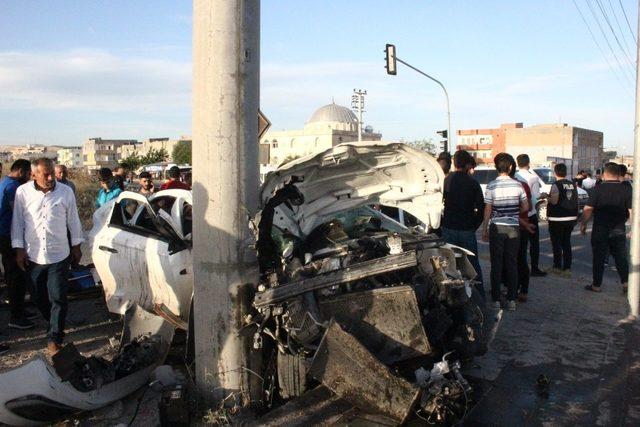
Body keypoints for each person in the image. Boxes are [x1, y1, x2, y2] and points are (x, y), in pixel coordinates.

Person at [11, 158, 83, 355]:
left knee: (58, 296)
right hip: (33, 255)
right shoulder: (23, 193)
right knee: (39, 296)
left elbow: (73, 220)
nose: (51, 178)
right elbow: (17, 222)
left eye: (52, 173)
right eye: (46, 174)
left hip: (59, 254)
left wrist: (76, 246)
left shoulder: (65, 191)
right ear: (34, 174)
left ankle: (55, 336)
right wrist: (19, 249)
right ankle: (52, 321)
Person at [482, 153, 528, 311]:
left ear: (496, 168)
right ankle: (511, 300)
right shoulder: (518, 185)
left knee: (496, 263)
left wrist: (485, 228)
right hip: (513, 227)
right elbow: (526, 207)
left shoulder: (492, 185)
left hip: (496, 227)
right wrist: (515, 211)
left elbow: (488, 208)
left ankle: (495, 299)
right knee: (512, 263)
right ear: (510, 168)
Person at [580, 162, 631, 293]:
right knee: (620, 257)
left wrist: (583, 225)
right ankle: (626, 284)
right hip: (619, 228)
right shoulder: (626, 189)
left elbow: (588, 209)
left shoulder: (598, 189)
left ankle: (596, 285)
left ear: (605, 174)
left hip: (600, 228)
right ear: (618, 174)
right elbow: (632, 211)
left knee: (599, 257)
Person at [441, 150, 485, 297]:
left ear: (454, 163)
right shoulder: (473, 183)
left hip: (448, 227)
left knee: (449, 264)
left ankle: (452, 295)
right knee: (472, 264)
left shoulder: (446, 182)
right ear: (467, 165)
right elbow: (481, 208)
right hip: (467, 228)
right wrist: (474, 225)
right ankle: (479, 295)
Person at [0, 159, 36, 330]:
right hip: (9, 237)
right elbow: (18, 215)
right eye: (29, 173)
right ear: (22, 172)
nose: (30, 177)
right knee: (17, 275)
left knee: (12, 274)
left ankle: (19, 309)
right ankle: (16, 316)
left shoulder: (5, 183)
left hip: (5, 235)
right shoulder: (13, 188)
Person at [515, 154, 546, 277]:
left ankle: (519, 267)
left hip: (517, 214)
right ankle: (534, 268)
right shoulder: (533, 178)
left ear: (517, 163)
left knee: (520, 244)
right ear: (528, 163)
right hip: (530, 213)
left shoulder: (515, 176)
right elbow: (534, 197)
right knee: (534, 243)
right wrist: (543, 195)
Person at [547, 164, 578, 277]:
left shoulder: (556, 185)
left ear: (555, 173)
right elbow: (576, 201)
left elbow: (554, 201)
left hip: (557, 218)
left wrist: (546, 197)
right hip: (570, 217)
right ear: (566, 172)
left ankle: (557, 266)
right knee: (566, 243)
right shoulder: (572, 184)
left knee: (556, 243)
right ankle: (567, 267)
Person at [511, 159, 535, 303]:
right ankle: (523, 290)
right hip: (522, 226)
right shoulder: (524, 185)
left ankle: (512, 289)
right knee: (521, 260)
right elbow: (530, 207)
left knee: (511, 260)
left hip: (511, 227)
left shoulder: (499, 185)